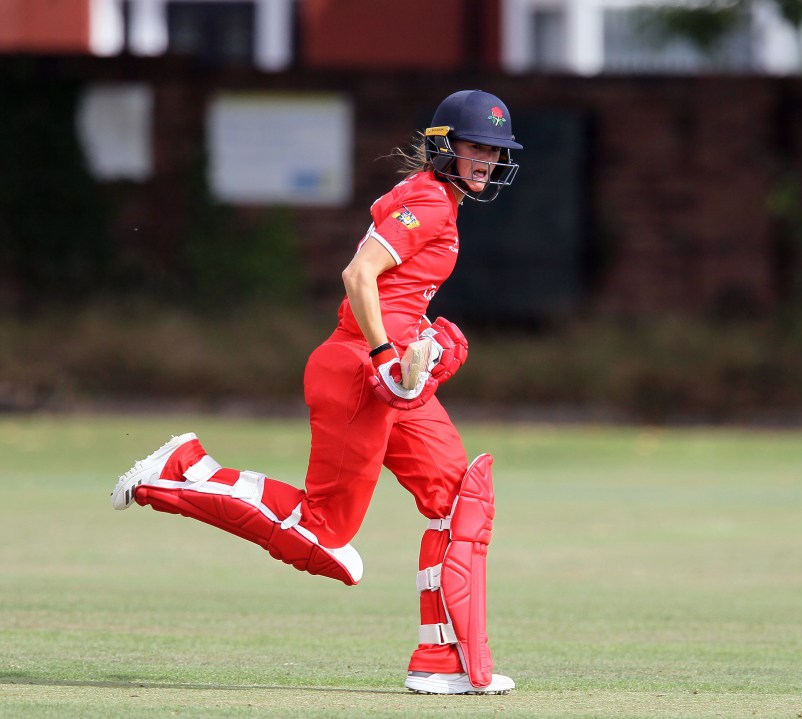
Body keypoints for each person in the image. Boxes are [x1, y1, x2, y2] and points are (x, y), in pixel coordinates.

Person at [112, 89, 522, 695]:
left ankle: (444, 660)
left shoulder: (438, 201)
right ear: (444, 148)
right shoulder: (430, 202)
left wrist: (423, 346)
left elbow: (397, 294)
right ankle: (182, 473)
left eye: (494, 150)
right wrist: (385, 353)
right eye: (475, 147)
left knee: (458, 498)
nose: (486, 160)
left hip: (392, 382)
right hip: (360, 370)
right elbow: (359, 275)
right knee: (323, 536)